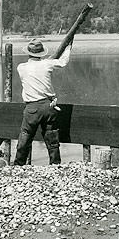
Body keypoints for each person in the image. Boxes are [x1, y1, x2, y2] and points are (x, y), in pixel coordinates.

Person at [14, 38, 72, 166]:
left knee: (25, 136)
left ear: (29, 53)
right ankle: (55, 164)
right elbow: (63, 62)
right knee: (52, 139)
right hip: (49, 106)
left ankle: (18, 164)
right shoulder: (47, 64)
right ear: (41, 53)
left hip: (32, 108)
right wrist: (68, 48)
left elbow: (39, 66)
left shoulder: (21, 67)